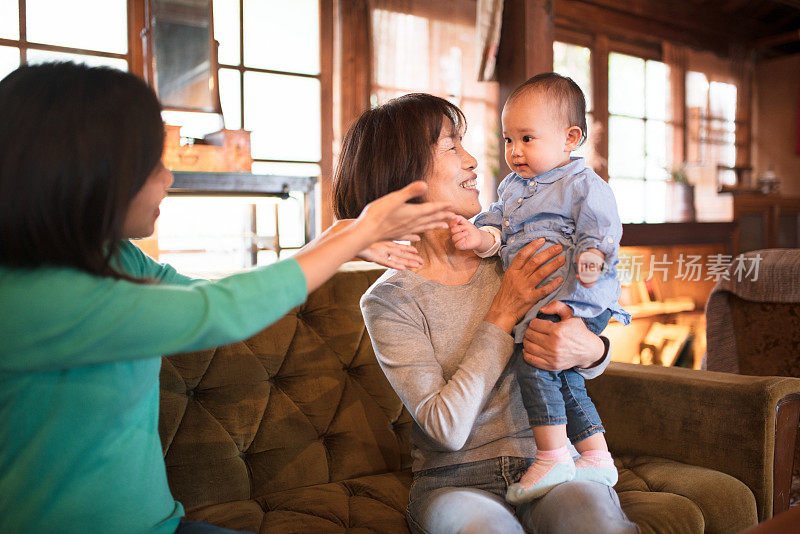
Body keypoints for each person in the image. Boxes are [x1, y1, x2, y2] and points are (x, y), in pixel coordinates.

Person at [0, 62, 453, 534]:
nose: (168, 178)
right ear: (88, 172)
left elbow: (211, 295)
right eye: (152, 162)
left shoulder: (114, 257)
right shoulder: (31, 298)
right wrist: (354, 235)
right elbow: (218, 313)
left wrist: (339, 236)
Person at [333, 92, 637, 533]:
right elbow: (447, 428)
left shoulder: (513, 249)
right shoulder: (390, 301)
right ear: (403, 174)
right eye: (452, 146)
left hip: (555, 466)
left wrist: (592, 350)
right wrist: (503, 311)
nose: (474, 160)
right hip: (456, 482)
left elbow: (572, 350)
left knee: (595, 526)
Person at [448, 73, 631, 504]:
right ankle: (596, 455)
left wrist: (585, 279)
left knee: (535, 362)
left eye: (527, 138)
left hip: (580, 295)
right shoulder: (512, 189)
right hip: (545, 299)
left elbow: (601, 232)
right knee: (563, 376)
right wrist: (479, 238)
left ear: (570, 138)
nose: (514, 151)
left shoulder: (583, 185)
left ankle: (551, 453)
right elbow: (496, 224)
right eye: (509, 139)